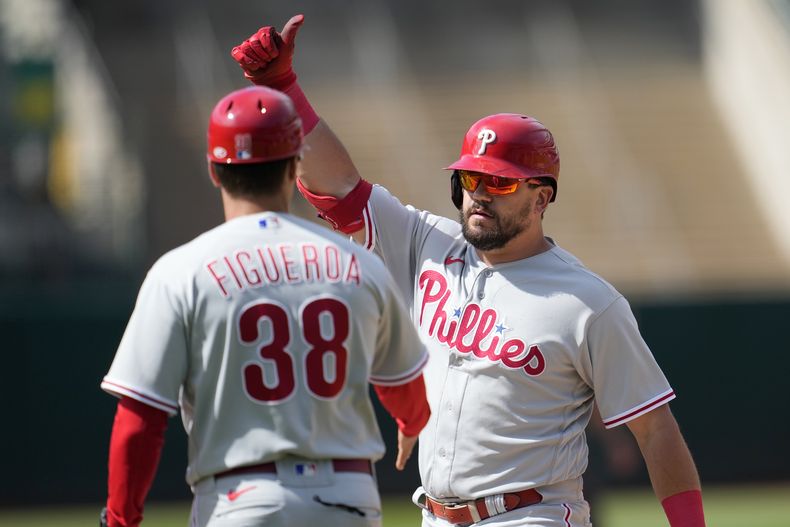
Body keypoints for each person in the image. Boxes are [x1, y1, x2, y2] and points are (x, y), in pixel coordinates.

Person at [229, 15, 707, 527]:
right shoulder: (425, 241)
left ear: (542, 197)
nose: (479, 192)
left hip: (531, 514)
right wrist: (282, 89)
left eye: (500, 183)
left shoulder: (588, 302)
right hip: (434, 514)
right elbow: (340, 185)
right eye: (471, 178)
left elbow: (656, 430)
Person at [98, 85, 431, 527]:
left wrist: (122, 519)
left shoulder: (180, 271)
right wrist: (409, 423)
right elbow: (406, 391)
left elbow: (140, 419)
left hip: (241, 499)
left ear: (215, 170)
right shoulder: (358, 264)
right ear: (295, 165)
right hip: (348, 499)